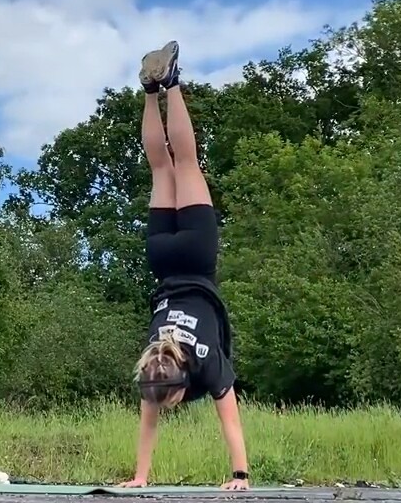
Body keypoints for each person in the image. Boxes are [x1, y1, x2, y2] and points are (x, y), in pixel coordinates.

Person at [118, 41, 250, 491]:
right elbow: (149, 423)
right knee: (160, 168)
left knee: (186, 162)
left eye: (166, 402)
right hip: (162, 260)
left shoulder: (202, 363)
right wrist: (140, 477)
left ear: (177, 386)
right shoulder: (153, 363)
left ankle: (171, 82)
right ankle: (149, 89)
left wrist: (241, 476)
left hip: (195, 256)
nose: (163, 407)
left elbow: (230, 419)